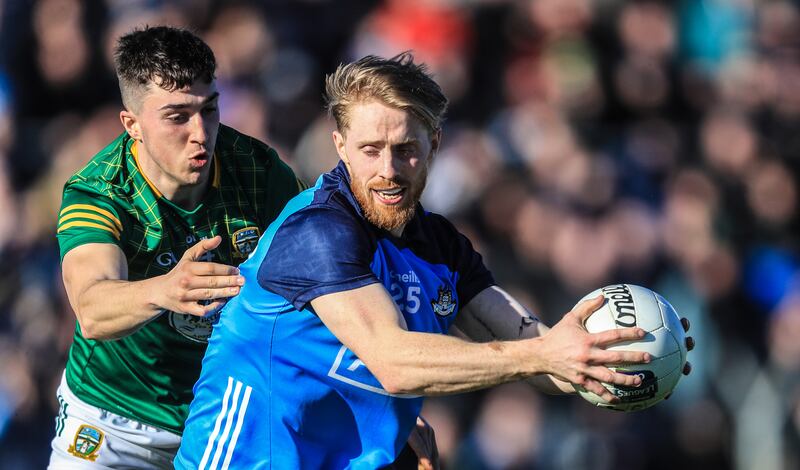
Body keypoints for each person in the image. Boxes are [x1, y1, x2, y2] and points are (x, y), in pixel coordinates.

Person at [175, 53, 694, 469]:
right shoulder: (317, 232)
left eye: (406, 149)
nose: (388, 170)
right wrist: (542, 355)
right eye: (370, 150)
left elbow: (541, 353)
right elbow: (395, 363)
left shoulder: (440, 245)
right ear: (340, 146)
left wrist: (620, 359)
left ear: (434, 144)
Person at [48, 26, 304, 467]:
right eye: (177, 116)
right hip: (112, 422)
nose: (201, 133)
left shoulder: (258, 172)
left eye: (210, 109)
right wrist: (165, 289)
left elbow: (326, 275)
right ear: (132, 125)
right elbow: (91, 308)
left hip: (228, 417)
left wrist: (372, 398)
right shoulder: (100, 193)